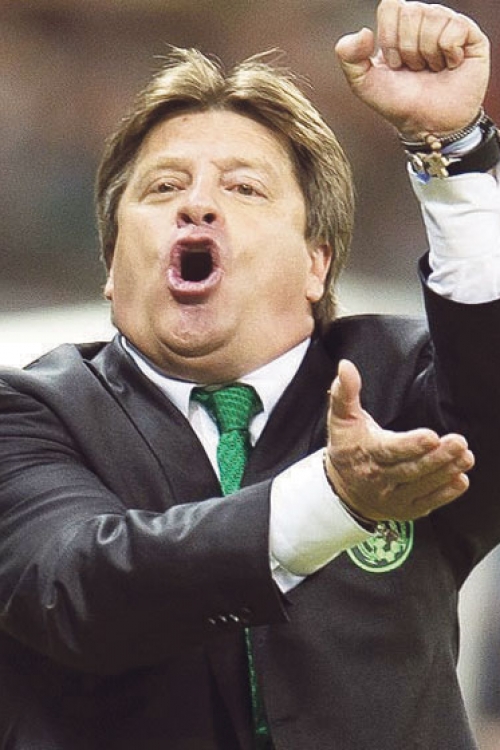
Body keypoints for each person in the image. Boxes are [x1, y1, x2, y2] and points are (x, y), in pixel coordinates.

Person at [0, 0, 499, 747]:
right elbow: (76, 589)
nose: (197, 204)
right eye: (163, 187)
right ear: (110, 263)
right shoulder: (28, 413)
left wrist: (453, 150)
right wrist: (332, 500)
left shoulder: (400, 386)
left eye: (244, 188)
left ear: (316, 263)